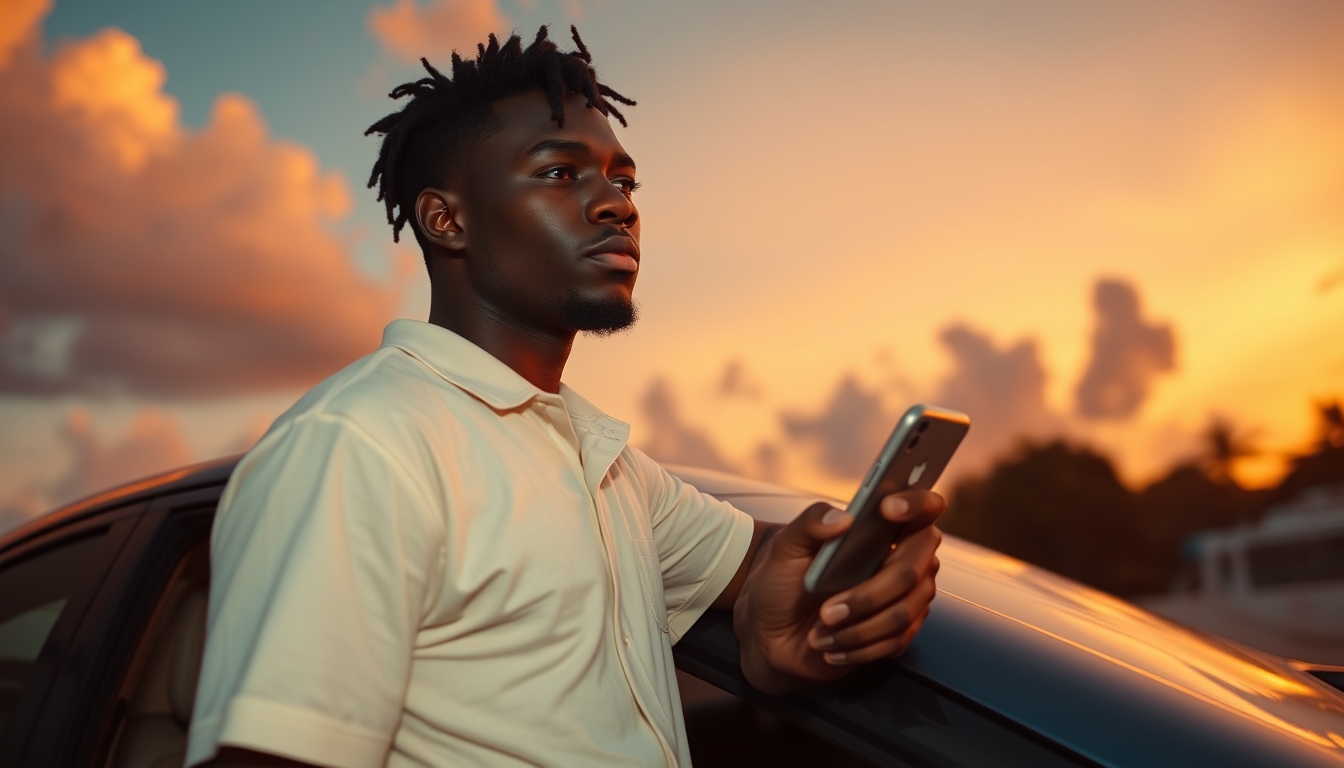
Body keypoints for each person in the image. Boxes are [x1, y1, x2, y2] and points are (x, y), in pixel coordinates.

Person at [187, 27, 944, 768]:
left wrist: (846, 579)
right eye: (559, 173)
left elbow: (765, 565)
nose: (617, 203)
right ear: (445, 220)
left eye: (623, 179)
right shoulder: (362, 445)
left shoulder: (603, 461)